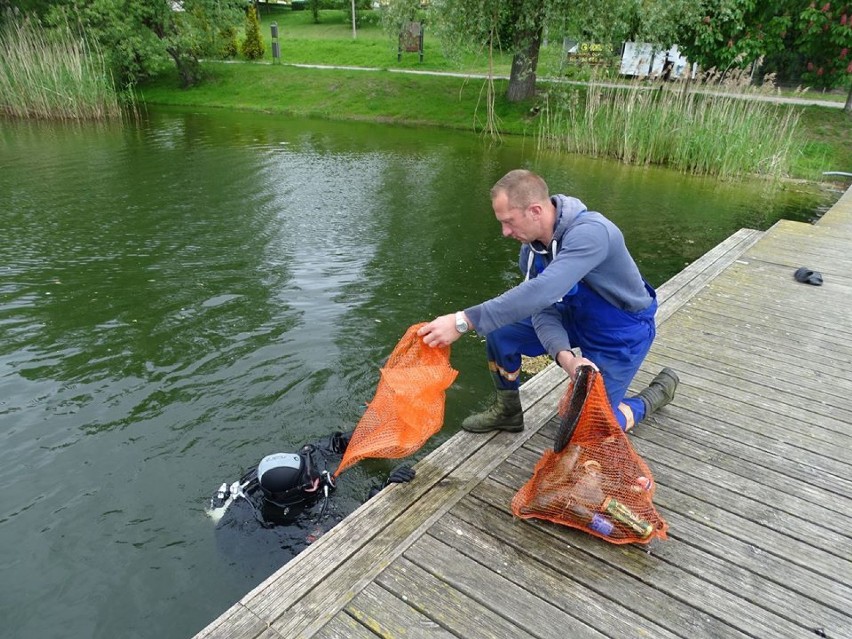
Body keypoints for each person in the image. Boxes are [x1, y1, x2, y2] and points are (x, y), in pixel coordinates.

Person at [418, 169, 679, 433]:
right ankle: (507, 412)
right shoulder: (531, 250)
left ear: (535, 211)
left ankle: (650, 399)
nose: (505, 232)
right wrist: (567, 360)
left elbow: (544, 289)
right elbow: (542, 308)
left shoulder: (592, 233)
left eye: (509, 222)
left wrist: (464, 321)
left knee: (591, 429)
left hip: (620, 331)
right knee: (501, 332)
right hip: (575, 317)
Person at [208, 431, 415, 565]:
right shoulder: (283, 526)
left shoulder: (303, 465)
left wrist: (355, 438)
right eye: (310, 483)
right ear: (292, 495)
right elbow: (346, 543)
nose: (318, 477)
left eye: (311, 469)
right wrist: (381, 496)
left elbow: (330, 445)